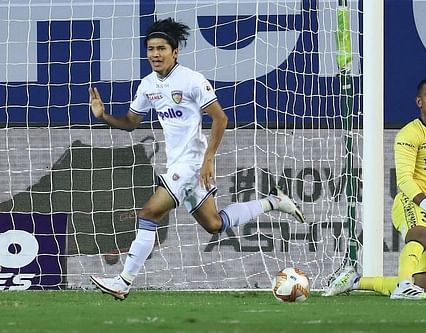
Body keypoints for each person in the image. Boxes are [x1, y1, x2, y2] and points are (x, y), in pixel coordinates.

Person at [89, 18, 305, 300]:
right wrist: (103, 116)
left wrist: (208, 159)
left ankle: (123, 281)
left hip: (191, 165)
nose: (155, 54)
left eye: (161, 48)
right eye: (151, 49)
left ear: (174, 52)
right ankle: (274, 201)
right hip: (178, 164)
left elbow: (220, 117)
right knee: (214, 224)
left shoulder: (191, 80)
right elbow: (131, 122)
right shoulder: (147, 86)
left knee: (149, 214)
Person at [323, 78, 426, 300]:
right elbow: (405, 180)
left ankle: (355, 280)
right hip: (413, 201)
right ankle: (403, 286)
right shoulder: (409, 133)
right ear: (419, 102)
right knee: (421, 232)